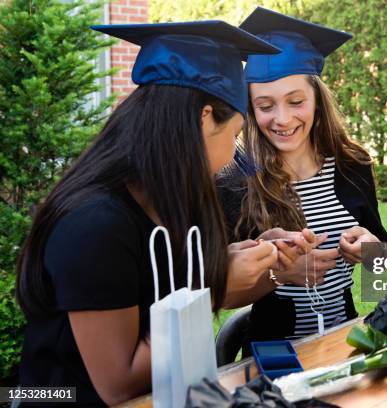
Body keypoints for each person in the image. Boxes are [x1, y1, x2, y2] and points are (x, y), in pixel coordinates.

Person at [14, 21, 307, 407]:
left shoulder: (166, 200)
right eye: (234, 135)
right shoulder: (94, 224)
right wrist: (210, 292)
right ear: (204, 119)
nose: (232, 157)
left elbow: (165, 292)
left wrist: (250, 262)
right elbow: (118, 384)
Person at [219, 7, 387, 344]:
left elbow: (382, 263)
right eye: (266, 106)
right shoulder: (237, 181)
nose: (282, 119)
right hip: (273, 353)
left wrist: (370, 251)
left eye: (295, 101)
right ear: (251, 110)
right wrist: (279, 274)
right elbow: (221, 293)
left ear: (316, 99)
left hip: (345, 342)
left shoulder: (352, 166)